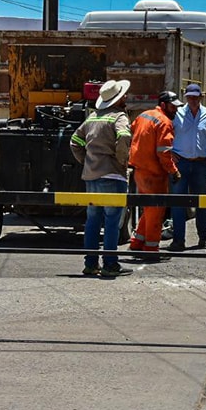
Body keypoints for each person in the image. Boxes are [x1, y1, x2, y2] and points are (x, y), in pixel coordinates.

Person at [70, 79, 133, 277]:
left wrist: (87, 161)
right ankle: (110, 263)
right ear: (118, 99)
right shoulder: (119, 116)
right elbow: (123, 136)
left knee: (92, 221)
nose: (126, 98)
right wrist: (122, 161)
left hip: (91, 176)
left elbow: (74, 141)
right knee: (112, 222)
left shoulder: (91, 118)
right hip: (113, 176)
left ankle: (90, 264)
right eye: (124, 96)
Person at [167, 83, 206, 251]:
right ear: (185, 97)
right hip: (181, 163)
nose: (192, 100)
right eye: (189, 97)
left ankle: (203, 237)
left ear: (201, 97)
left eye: (195, 97)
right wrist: (169, 152)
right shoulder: (176, 114)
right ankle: (178, 240)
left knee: (201, 201)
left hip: (201, 163)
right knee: (178, 202)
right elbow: (165, 135)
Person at [128, 90, 183, 259]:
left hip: (139, 171)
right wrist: (174, 171)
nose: (176, 110)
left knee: (149, 209)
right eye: (173, 107)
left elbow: (132, 132)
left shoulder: (144, 115)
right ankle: (151, 249)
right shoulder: (164, 122)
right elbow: (164, 153)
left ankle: (137, 242)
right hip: (154, 174)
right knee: (156, 211)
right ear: (163, 105)